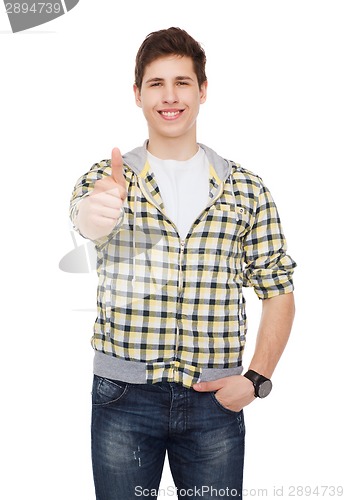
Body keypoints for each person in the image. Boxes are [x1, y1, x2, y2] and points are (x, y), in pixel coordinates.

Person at [70, 27, 296, 500]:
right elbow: (86, 218)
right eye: (156, 84)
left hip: (215, 401)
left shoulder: (247, 190)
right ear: (137, 94)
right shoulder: (109, 179)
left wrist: (255, 379)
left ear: (202, 90)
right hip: (123, 399)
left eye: (182, 82)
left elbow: (278, 289)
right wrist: (94, 214)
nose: (169, 97)